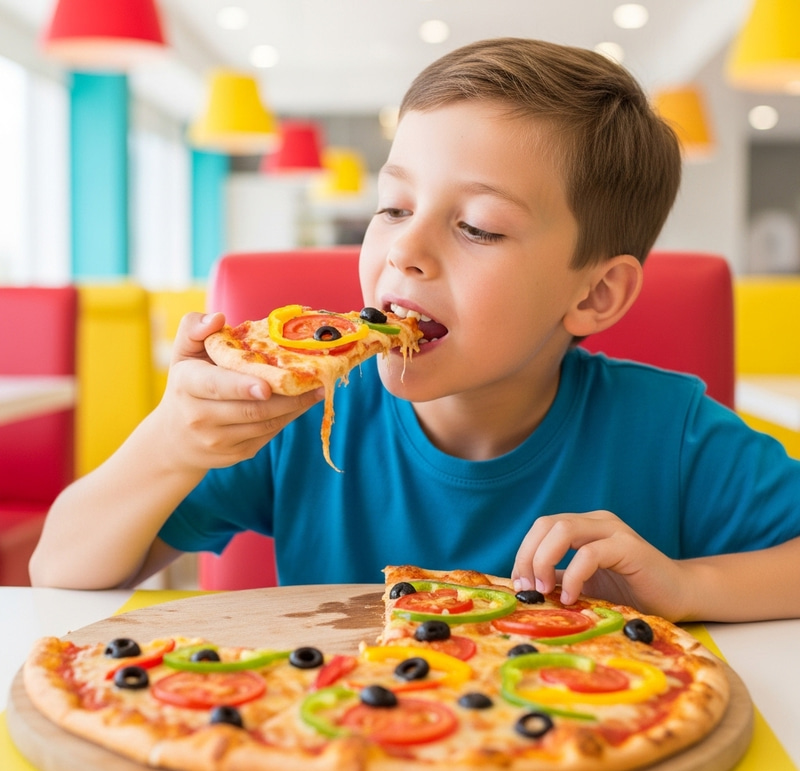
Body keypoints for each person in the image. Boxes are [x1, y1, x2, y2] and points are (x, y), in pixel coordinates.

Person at [30, 38, 800, 623]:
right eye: (393, 207)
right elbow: (58, 570)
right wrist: (173, 439)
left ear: (596, 294)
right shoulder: (296, 418)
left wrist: (685, 584)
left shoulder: (667, 433)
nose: (404, 249)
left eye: (477, 226)